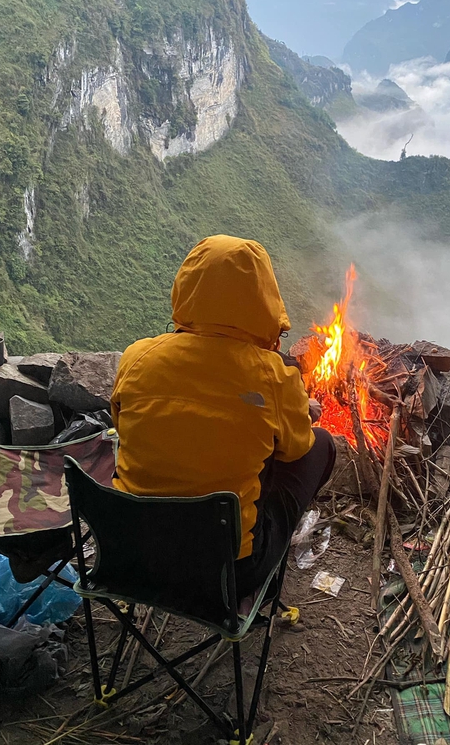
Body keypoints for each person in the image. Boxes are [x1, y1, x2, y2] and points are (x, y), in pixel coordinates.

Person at [111, 235, 336, 597]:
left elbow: (122, 427)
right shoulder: (272, 375)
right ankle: (263, 569)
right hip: (228, 573)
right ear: (262, 298)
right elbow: (296, 450)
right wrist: (297, 414)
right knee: (321, 445)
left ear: (188, 287)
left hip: (130, 555)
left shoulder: (137, 358)